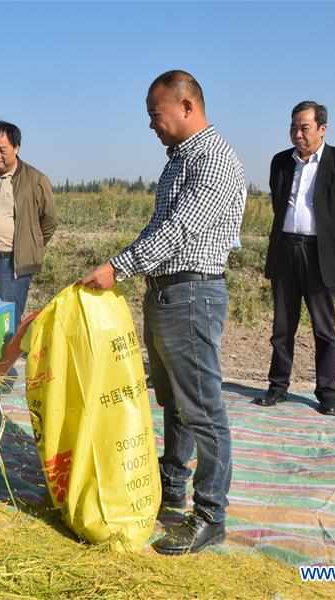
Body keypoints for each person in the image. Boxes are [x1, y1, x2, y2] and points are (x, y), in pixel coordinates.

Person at [80, 70, 245, 555]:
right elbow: (158, 228)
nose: (152, 125)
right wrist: (126, 266)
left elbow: (179, 230)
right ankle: (171, 483)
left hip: (193, 295)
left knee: (203, 410)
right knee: (174, 401)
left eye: (156, 114)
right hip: (167, 293)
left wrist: (118, 266)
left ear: (187, 107)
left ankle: (210, 515)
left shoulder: (213, 159)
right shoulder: (179, 160)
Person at [255, 101, 335, 416]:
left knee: (323, 328)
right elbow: (280, 206)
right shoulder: (281, 162)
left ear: (322, 128)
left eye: (304, 127)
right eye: (293, 127)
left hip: (321, 255)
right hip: (286, 250)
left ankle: (327, 393)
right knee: (282, 327)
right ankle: (277, 387)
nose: (297, 134)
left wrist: (332, 240)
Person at [0, 121, 58, 321]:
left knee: (6, 321)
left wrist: (30, 245)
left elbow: (50, 220)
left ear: (17, 147)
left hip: (11, 264)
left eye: (2, 150)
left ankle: (7, 353)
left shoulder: (35, 180)